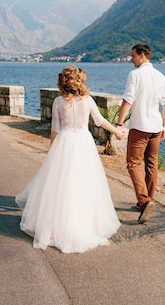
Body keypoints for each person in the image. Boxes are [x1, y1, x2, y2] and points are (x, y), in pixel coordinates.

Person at [15, 66, 127, 253]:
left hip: (65, 143)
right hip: (84, 142)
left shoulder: (58, 102)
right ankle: (84, 222)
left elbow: (55, 128)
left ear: (63, 82)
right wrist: (117, 131)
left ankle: (61, 223)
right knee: (84, 182)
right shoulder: (88, 100)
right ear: (80, 81)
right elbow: (99, 121)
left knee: (62, 183)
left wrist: (52, 150)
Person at [115, 43, 165, 224]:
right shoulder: (161, 76)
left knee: (133, 164)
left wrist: (119, 124)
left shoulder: (135, 75)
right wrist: (163, 126)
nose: (131, 59)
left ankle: (144, 201)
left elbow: (127, 100)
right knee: (151, 165)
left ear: (141, 55)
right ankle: (146, 201)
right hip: (156, 127)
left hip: (140, 127)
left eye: (132, 55)